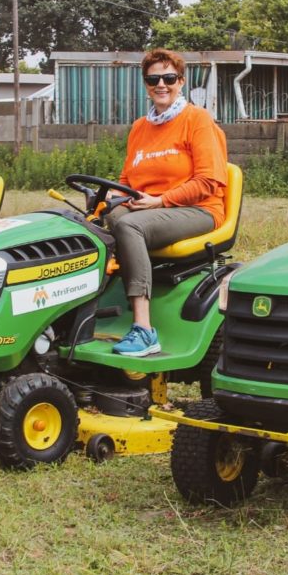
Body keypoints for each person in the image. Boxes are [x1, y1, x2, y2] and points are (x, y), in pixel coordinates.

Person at [107, 48, 229, 357]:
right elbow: (127, 178)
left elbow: (208, 182)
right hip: (150, 206)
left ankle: (144, 330)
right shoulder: (139, 128)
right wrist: (113, 196)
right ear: (145, 84)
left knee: (129, 226)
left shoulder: (197, 120)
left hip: (198, 209)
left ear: (181, 82)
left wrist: (160, 201)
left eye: (168, 78)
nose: (161, 84)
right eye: (153, 79)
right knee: (91, 222)